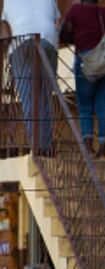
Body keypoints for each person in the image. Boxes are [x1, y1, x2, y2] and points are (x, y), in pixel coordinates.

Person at [60, 0, 105, 159]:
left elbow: (63, 35)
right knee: (104, 106)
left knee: (85, 107)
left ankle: (88, 148)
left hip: (86, 63)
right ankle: (103, 149)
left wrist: (79, 37)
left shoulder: (75, 10)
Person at [1, 0, 59, 154]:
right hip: (48, 41)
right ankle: (46, 146)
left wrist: (7, 50)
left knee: (29, 97)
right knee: (46, 96)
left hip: (22, 42)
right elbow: (57, 21)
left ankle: (37, 146)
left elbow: (4, 26)